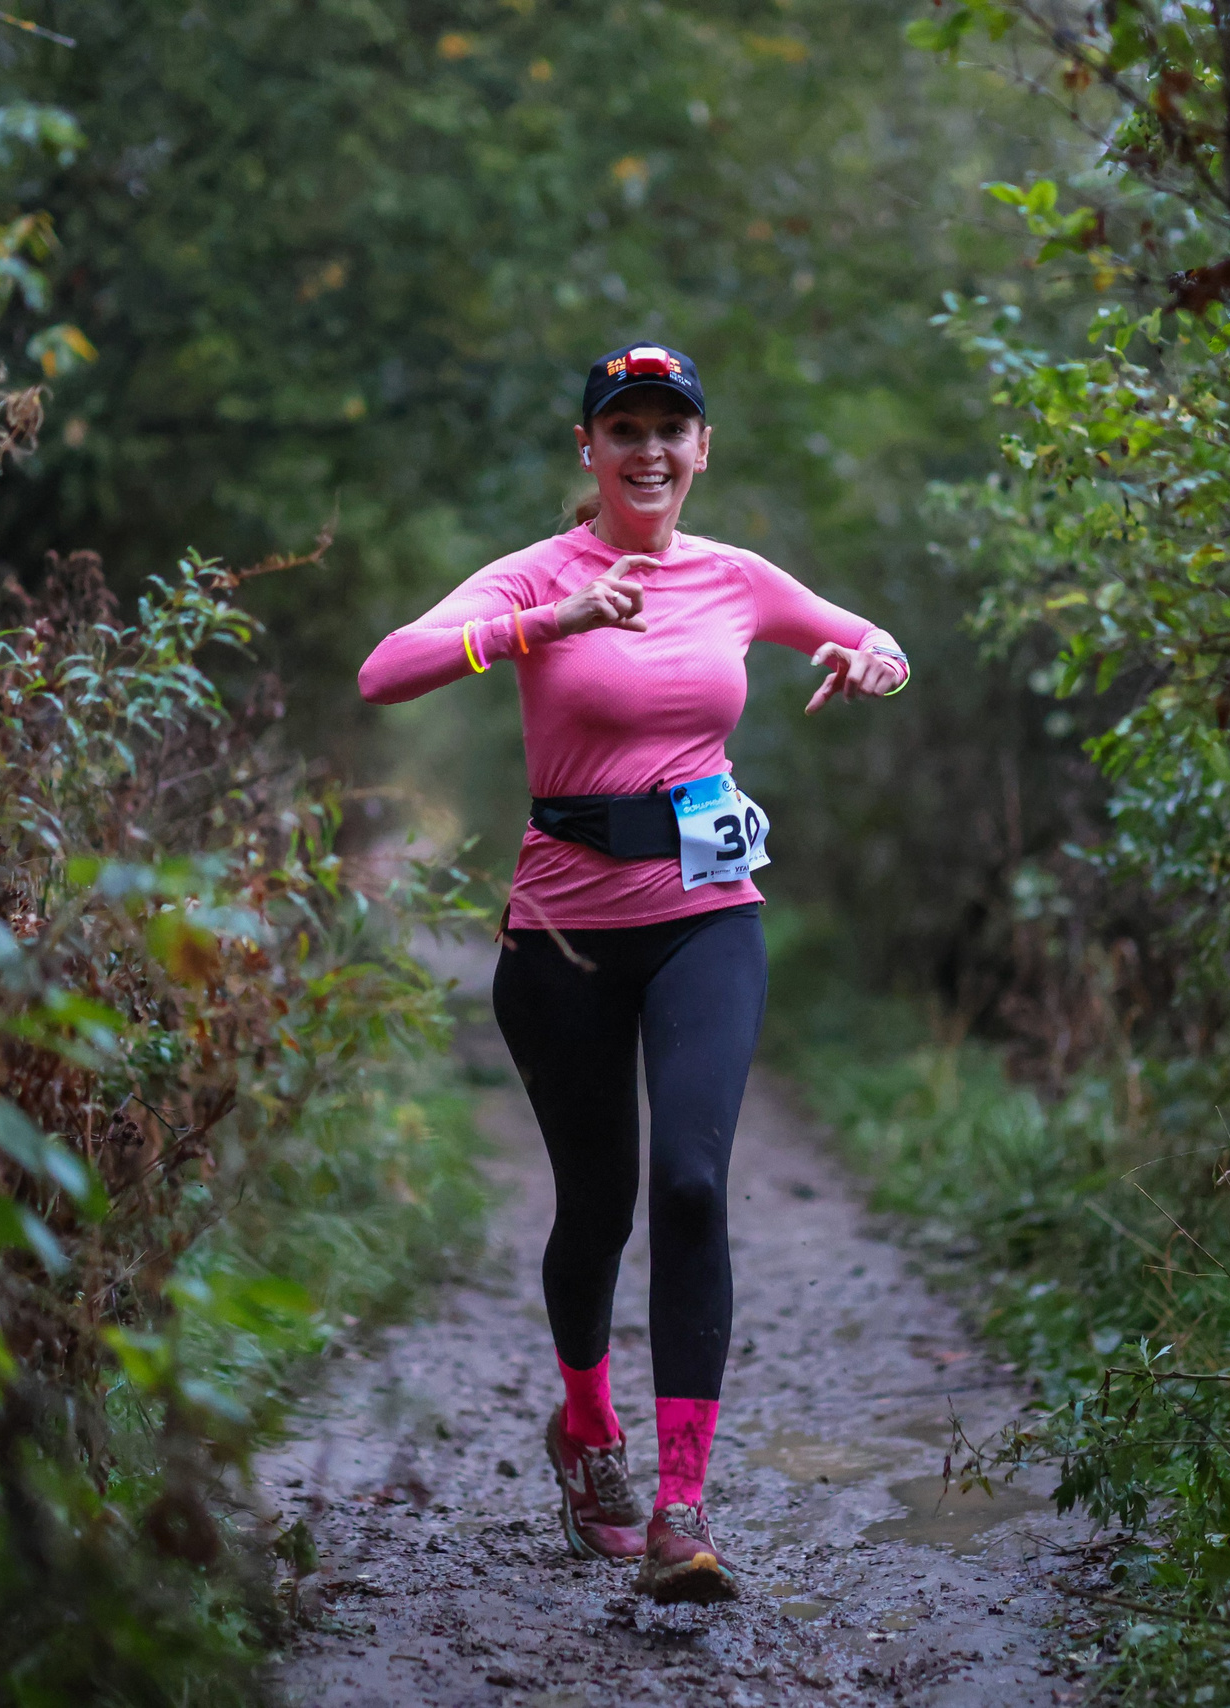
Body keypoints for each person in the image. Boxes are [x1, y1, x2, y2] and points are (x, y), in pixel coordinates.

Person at [356, 343, 908, 1604]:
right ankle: (587, 1432)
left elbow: (870, 634)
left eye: (672, 429)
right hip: (559, 937)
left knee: (697, 1183)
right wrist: (541, 624)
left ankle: (679, 1505)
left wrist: (871, 656)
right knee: (597, 1205)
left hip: (708, 913)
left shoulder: (735, 577)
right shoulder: (535, 574)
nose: (649, 451)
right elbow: (385, 672)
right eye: (625, 430)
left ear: (702, 449)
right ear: (588, 451)